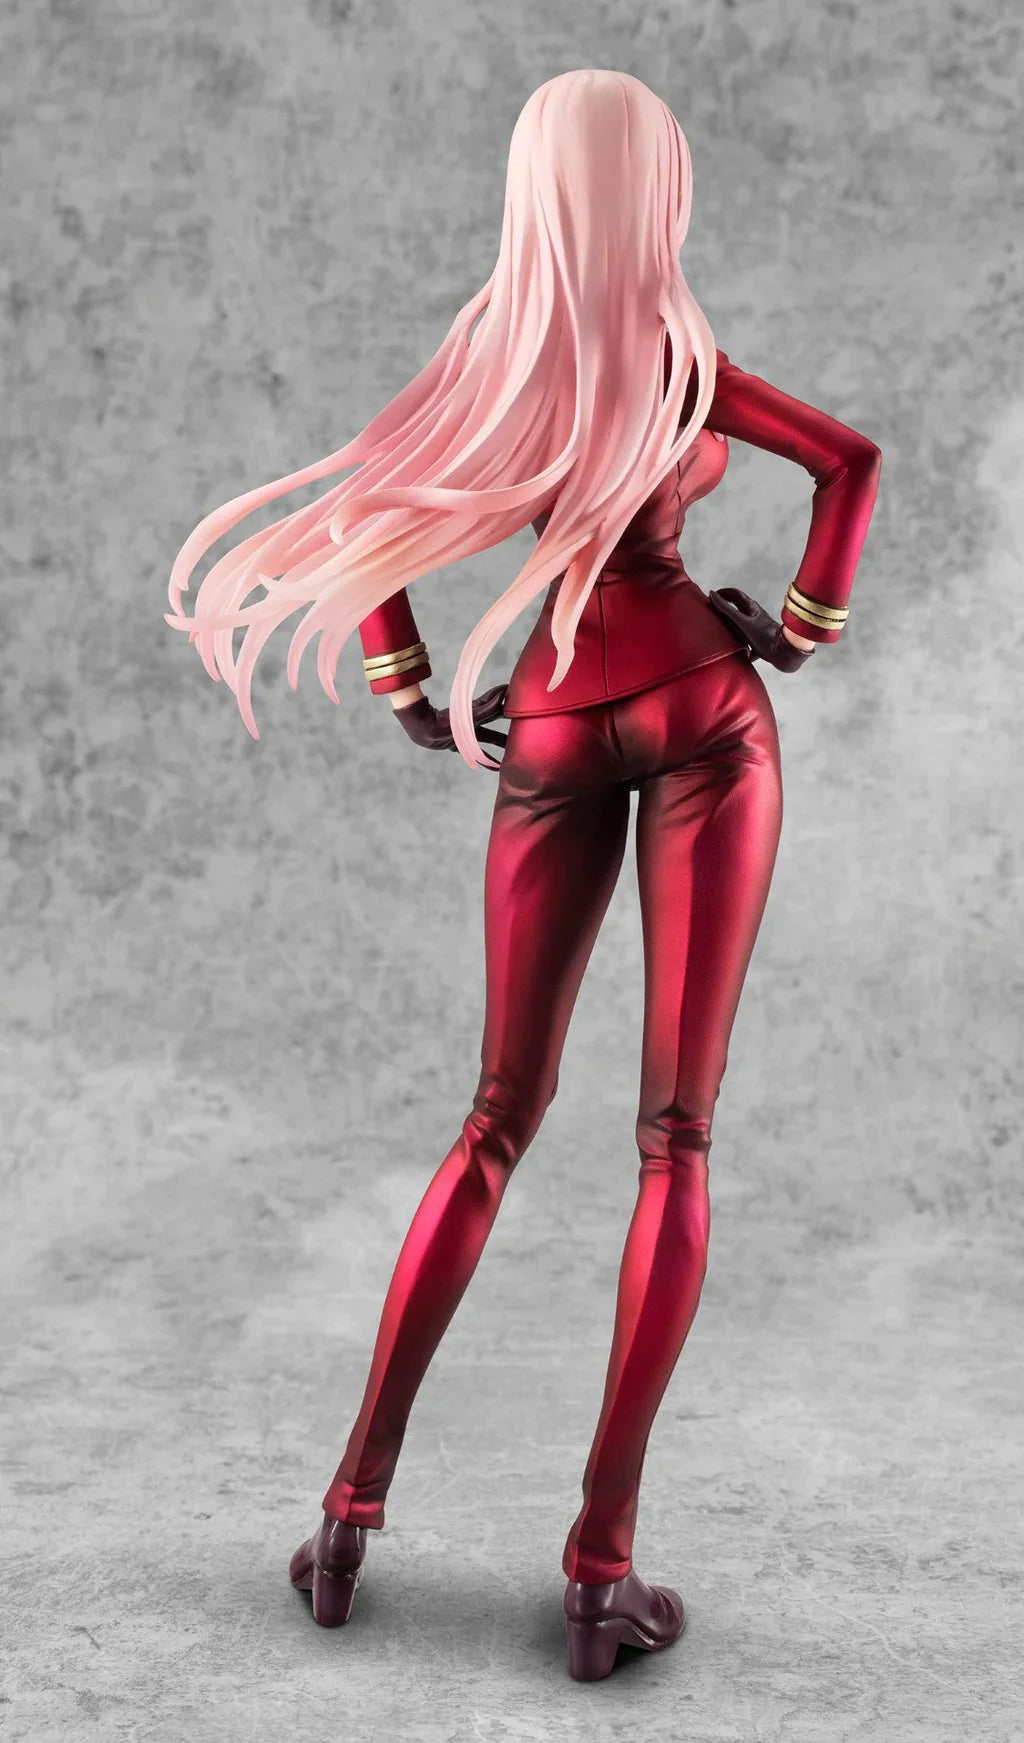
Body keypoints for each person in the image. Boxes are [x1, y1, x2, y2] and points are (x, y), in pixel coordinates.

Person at [166, 68, 881, 1681]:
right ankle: (598, 1574)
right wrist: (802, 628)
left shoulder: (488, 367)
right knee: (674, 1137)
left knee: (495, 1118)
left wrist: (414, 698)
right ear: (653, 189)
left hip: (550, 723)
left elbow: (366, 525)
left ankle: (345, 1522)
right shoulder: (679, 361)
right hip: (705, 715)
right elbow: (850, 462)